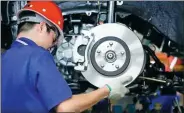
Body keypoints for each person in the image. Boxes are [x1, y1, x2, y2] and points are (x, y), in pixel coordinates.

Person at [2, 1, 132, 113]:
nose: (51, 46)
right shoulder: (38, 55)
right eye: (54, 39)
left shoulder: (4, 58)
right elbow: (65, 107)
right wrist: (107, 90)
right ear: (42, 27)